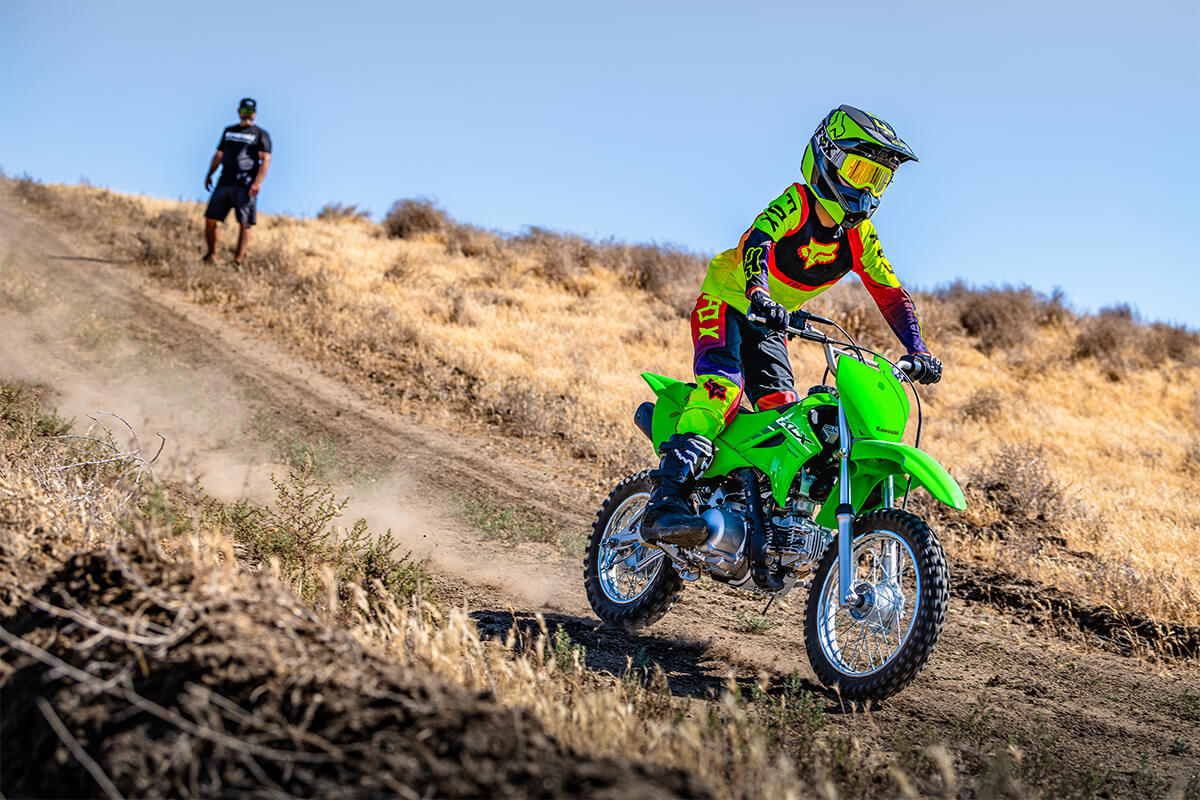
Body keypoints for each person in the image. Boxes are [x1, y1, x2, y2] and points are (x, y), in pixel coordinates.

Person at [641, 104, 943, 547]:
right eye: (860, 171)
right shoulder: (797, 203)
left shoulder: (861, 235)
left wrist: (917, 348)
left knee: (786, 415)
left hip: (770, 322)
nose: (867, 188)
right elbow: (757, 241)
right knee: (722, 390)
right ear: (827, 160)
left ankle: (757, 512)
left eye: (878, 179)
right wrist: (759, 293)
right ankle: (663, 502)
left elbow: (889, 291)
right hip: (728, 301)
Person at [203, 97, 272, 266]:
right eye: (244, 110)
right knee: (211, 218)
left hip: (245, 184)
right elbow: (219, 155)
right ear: (239, 111)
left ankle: (237, 261)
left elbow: (266, 159)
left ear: (255, 113)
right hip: (225, 181)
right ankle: (211, 255)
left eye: (250, 111)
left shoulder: (261, 134)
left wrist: (258, 182)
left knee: (245, 222)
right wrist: (209, 173)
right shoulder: (229, 131)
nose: (247, 114)